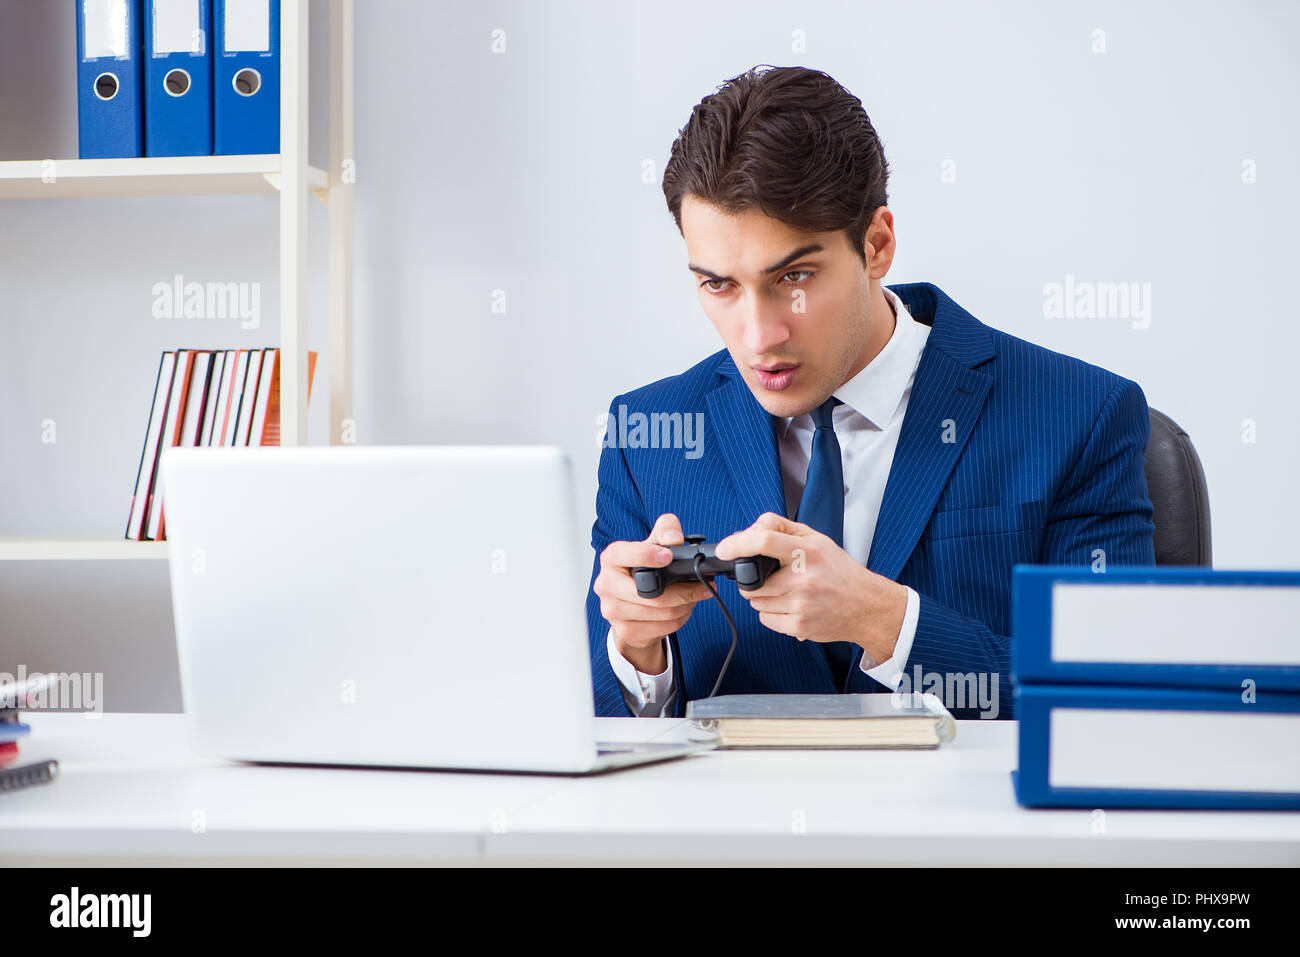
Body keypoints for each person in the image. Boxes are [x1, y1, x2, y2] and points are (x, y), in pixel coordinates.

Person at [587, 65, 1155, 720]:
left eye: (794, 276)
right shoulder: (646, 436)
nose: (759, 334)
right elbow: (583, 737)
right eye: (718, 285)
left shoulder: (1078, 416)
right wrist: (637, 651)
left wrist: (888, 622)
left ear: (877, 244)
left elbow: (1120, 700)